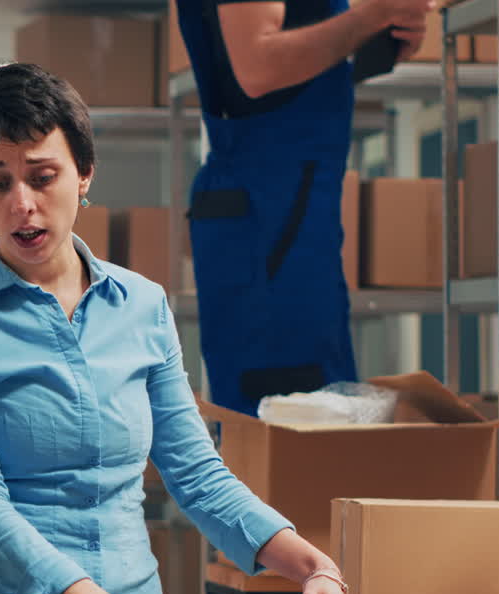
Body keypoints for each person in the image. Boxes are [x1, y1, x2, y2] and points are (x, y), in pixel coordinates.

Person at [0, 63, 364, 594]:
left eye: (42, 176)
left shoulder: (141, 306)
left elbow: (197, 475)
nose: (22, 205)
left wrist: (308, 563)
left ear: (84, 174)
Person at [176, 0, 433, 416]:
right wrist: (370, 17)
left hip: (294, 213)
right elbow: (257, 67)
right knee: (282, 411)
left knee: (318, 408)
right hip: (265, 217)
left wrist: (381, 37)